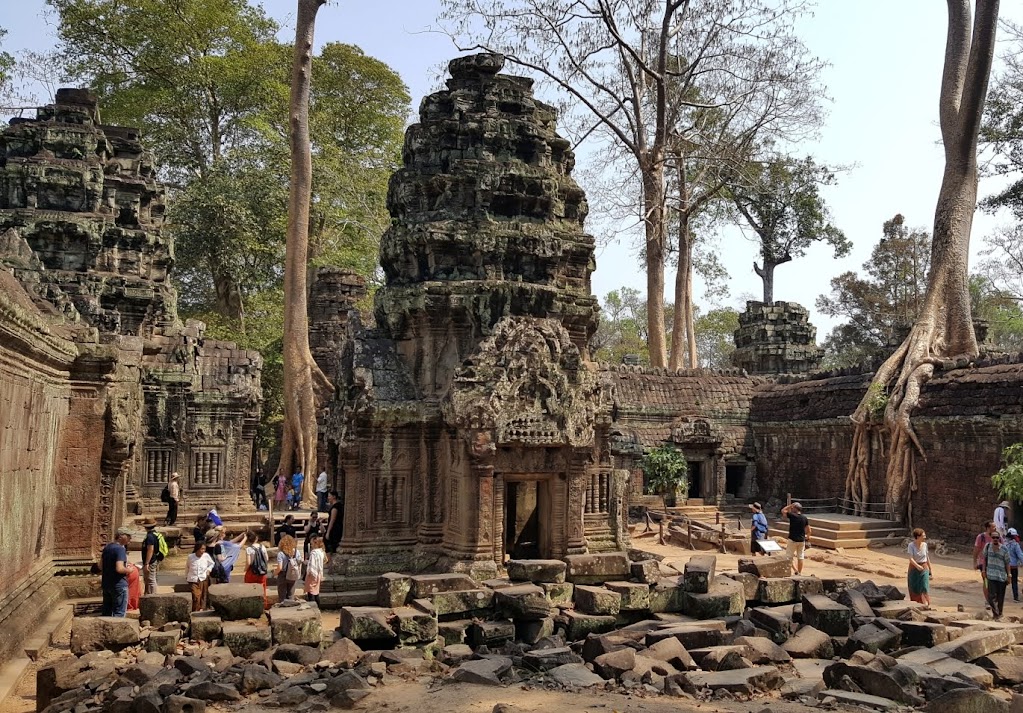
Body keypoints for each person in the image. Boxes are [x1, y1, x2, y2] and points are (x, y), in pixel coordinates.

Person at [100, 528, 132, 617]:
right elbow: (119, 568)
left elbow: (100, 566)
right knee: (119, 613)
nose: (130, 538)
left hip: (107, 584)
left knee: (107, 612)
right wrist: (129, 570)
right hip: (119, 585)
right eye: (128, 536)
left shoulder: (107, 547)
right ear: (121, 537)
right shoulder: (120, 549)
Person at [984, 531, 1012, 618]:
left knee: (1000, 597)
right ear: (991, 538)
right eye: (993, 537)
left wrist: (1009, 575)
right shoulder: (987, 547)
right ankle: (995, 614)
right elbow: (985, 559)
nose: (995, 539)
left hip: (1001, 576)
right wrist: (983, 571)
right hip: (991, 575)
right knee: (991, 596)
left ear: (999, 538)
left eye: (997, 537)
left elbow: (1007, 563)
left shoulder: (1004, 549)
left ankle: (1000, 613)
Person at [781, 502, 811, 575]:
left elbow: (783, 511)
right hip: (801, 540)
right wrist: (808, 538)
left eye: (792, 508)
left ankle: (795, 570)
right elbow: (809, 530)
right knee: (800, 557)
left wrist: (790, 505)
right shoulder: (804, 518)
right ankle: (800, 572)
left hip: (792, 539)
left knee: (789, 556)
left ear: (795, 508)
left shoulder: (792, 516)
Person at [186, 541, 215, 612]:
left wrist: (208, 570)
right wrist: (186, 576)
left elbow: (212, 563)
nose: (203, 551)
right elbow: (187, 567)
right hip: (193, 579)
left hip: (203, 578)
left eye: (204, 549)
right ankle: (195, 610)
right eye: (201, 549)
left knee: (203, 595)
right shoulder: (190, 557)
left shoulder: (206, 556)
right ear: (197, 549)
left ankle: (201, 609)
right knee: (196, 596)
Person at [243, 530, 269, 609]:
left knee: (250, 589)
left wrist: (245, 569)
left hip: (252, 571)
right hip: (262, 572)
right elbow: (267, 558)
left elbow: (249, 562)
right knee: (262, 589)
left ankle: (251, 606)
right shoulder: (263, 547)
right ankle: (263, 606)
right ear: (256, 538)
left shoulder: (249, 549)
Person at [907, 528, 932, 606]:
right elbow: (910, 558)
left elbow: (927, 557)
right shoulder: (911, 545)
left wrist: (930, 569)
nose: (925, 537)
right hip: (914, 568)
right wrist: (917, 566)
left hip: (924, 567)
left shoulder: (925, 545)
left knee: (924, 586)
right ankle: (918, 604)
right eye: (923, 536)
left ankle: (926, 603)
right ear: (918, 537)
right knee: (915, 587)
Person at [276, 535, 303, 603]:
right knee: (291, 594)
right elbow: (300, 562)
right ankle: (291, 608)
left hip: (283, 575)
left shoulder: (281, 554)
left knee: (282, 596)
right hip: (293, 574)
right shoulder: (297, 552)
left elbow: (280, 567)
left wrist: (274, 573)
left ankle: (283, 610)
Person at [974, 520, 997, 603]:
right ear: (988, 528)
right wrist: (975, 562)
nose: (995, 528)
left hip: (995, 563)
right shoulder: (981, 537)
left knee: (994, 582)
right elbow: (976, 550)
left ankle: (992, 598)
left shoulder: (997, 537)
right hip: (983, 563)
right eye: (993, 527)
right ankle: (988, 600)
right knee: (986, 581)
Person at [141, 519, 161, 595]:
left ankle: (153, 596)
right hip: (153, 559)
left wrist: (147, 563)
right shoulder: (155, 534)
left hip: (151, 561)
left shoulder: (150, 536)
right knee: (149, 579)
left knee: (151, 579)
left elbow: (150, 549)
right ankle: (149, 594)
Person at [305, 535, 327, 605]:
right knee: (316, 592)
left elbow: (312, 564)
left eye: (311, 544)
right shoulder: (321, 552)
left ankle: (313, 607)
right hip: (319, 573)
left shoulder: (314, 553)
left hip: (313, 574)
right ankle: (318, 606)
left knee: (311, 592)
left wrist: (309, 571)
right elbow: (324, 561)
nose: (311, 545)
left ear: (315, 543)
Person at [325, 490, 344, 554]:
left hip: (334, 529)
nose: (328, 498)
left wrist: (328, 532)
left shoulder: (335, 507)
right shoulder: (339, 505)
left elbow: (332, 520)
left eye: (329, 496)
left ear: (334, 497)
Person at [1008, 528, 1023, 602]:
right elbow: (1020, 555)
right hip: (1013, 566)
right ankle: (1015, 597)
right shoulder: (1015, 545)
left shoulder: (1004, 543)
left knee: (1002, 582)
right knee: (1014, 582)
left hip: (1006, 566)